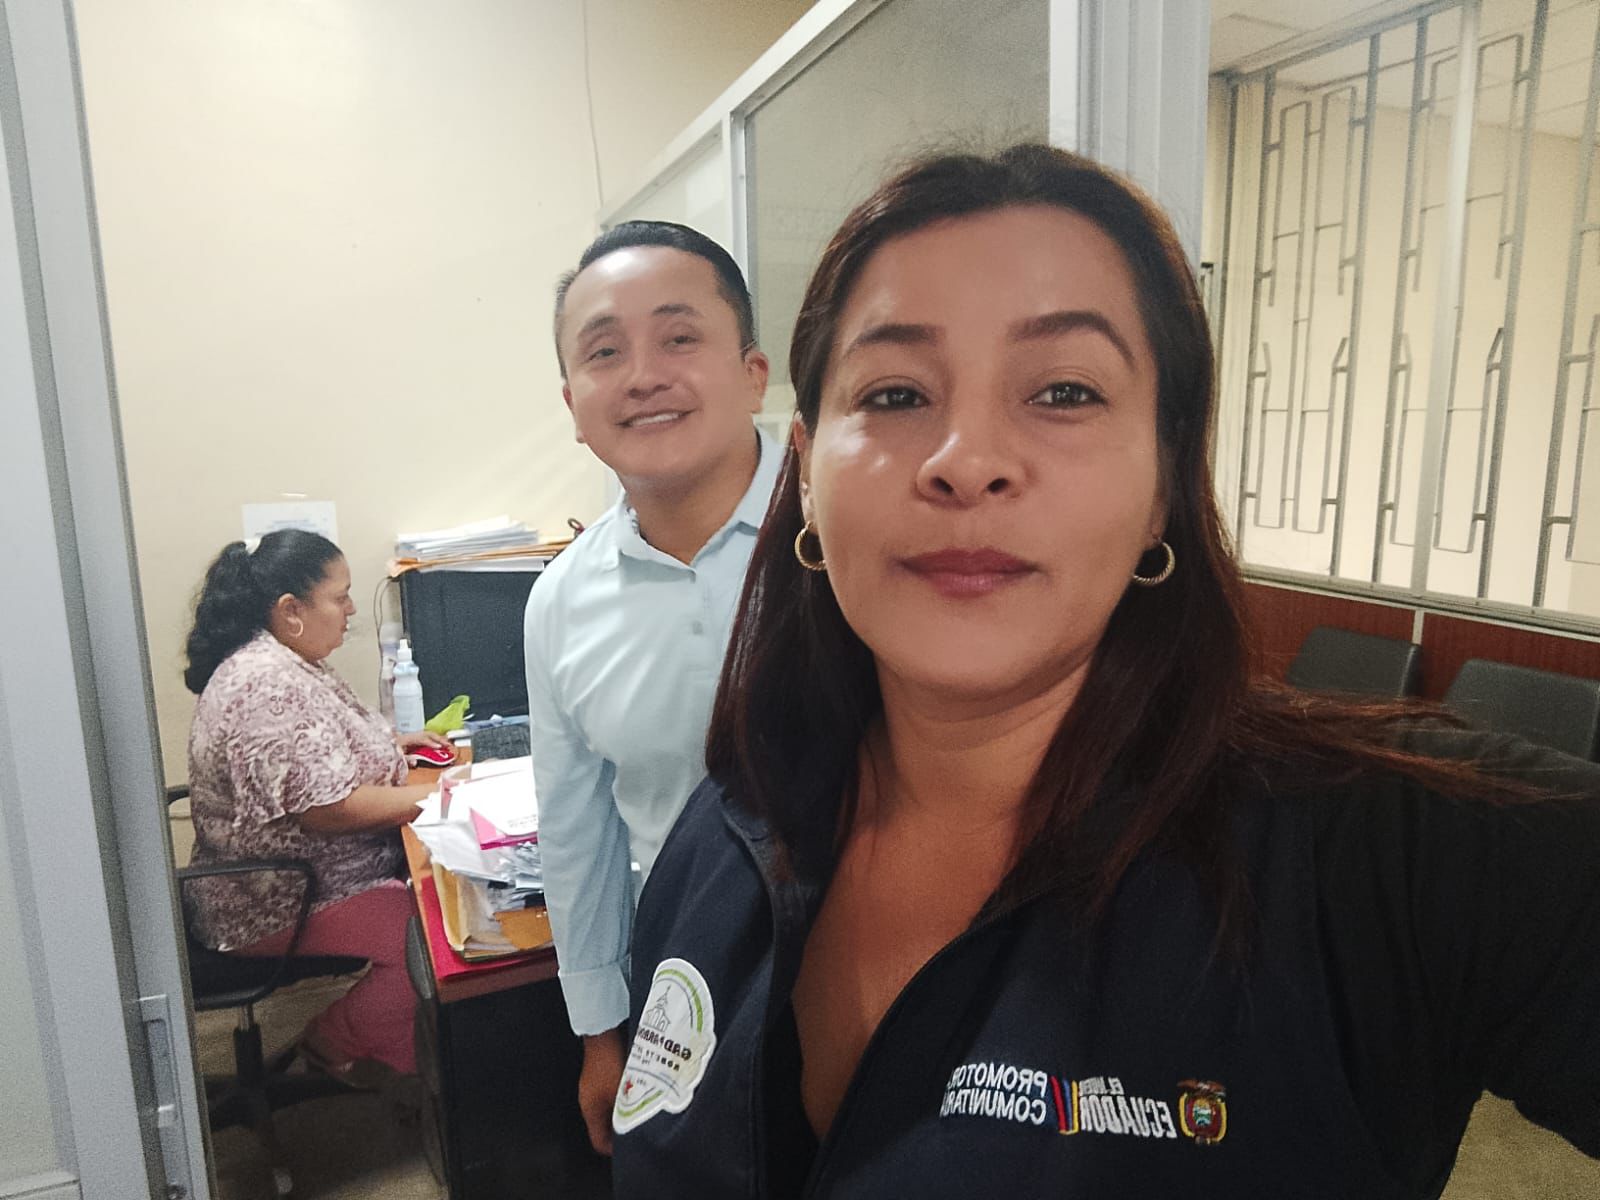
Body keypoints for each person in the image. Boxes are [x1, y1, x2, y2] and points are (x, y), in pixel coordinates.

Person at [609, 145, 1600, 1197]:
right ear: (808, 472)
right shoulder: (733, 821)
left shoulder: (1384, 853)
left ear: (1166, 482)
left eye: (1064, 390)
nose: (965, 460)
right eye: (895, 393)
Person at [525, 220, 779, 1153]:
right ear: (573, 401)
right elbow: (578, 829)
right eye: (604, 352)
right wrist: (601, 1034)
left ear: (752, 372)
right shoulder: (560, 602)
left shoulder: (858, 530)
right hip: (691, 992)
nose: (642, 376)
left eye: (679, 337)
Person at [183, 529, 449, 1084]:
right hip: (275, 899)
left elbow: (319, 747)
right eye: (340, 596)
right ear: (290, 610)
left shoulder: (287, 661)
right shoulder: (265, 683)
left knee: (443, 892)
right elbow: (328, 810)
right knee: (431, 937)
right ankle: (331, 1045)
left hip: (299, 878)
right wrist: (441, 795)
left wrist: (396, 745)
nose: (350, 610)